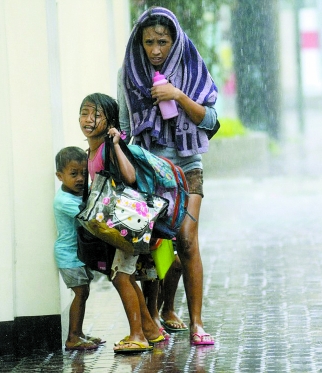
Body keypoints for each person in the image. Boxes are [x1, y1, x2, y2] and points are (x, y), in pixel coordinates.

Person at [118, 6, 218, 345]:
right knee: (155, 245)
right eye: (149, 42)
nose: (156, 49)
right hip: (150, 170)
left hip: (188, 167)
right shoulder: (131, 73)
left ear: (174, 41)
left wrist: (177, 95)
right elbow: (126, 128)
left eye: (162, 41)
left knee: (187, 239)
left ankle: (197, 323)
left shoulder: (191, 66)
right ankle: (157, 313)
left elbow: (211, 121)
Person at [78, 93, 166, 353]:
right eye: (85, 112)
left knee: (121, 277)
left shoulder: (108, 146)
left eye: (97, 114)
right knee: (123, 276)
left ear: (110, 120)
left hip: (127, 223)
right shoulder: (90, 150)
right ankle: (150, 330)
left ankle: (137, 334)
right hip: (115, 228)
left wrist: (116, 144)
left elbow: (129, 177)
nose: (89, 119)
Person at [53, 146, 105, 351]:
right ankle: (73, 337)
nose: (80, 179)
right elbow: (88, 216)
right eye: (73, 174)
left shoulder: (76, 194)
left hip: (78, 254)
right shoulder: (64, 201)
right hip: (69, 256)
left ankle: (79, 333)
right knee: (81, 293)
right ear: (60, 176)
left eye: (84, 173)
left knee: (84, 292)